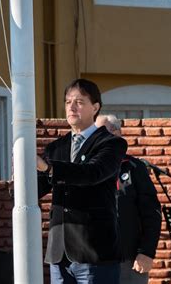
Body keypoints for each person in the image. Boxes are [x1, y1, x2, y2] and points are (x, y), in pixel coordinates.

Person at [36, 79, 127, 284]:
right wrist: (20, 179)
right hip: (59, 253)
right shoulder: (56, 148)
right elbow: (36, 189)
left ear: (95, 107)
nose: (71, 107)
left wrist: (49, 168)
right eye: (68, 102)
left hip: (94, 251)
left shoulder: (111, 143)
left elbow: (92, 173)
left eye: (79, 101)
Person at [95, 115, 162, 284]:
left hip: (129, 260)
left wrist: (146, 252)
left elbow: (151, 213)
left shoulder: (134, 168)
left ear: (117, 134)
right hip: (93, 260)